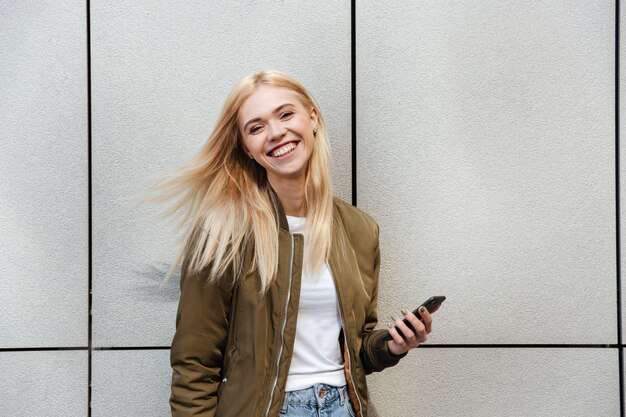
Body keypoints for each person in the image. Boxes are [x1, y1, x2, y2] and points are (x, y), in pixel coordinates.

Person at [164, 69, 436, 417]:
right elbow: (194, 364)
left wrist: (392, 345)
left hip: (344, 407)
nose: (276, 133)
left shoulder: (359, 229)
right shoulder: (223, 232)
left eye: (285, 114)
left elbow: (357, 348)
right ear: (246, 148)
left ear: (313, 118)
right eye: (256, 127)